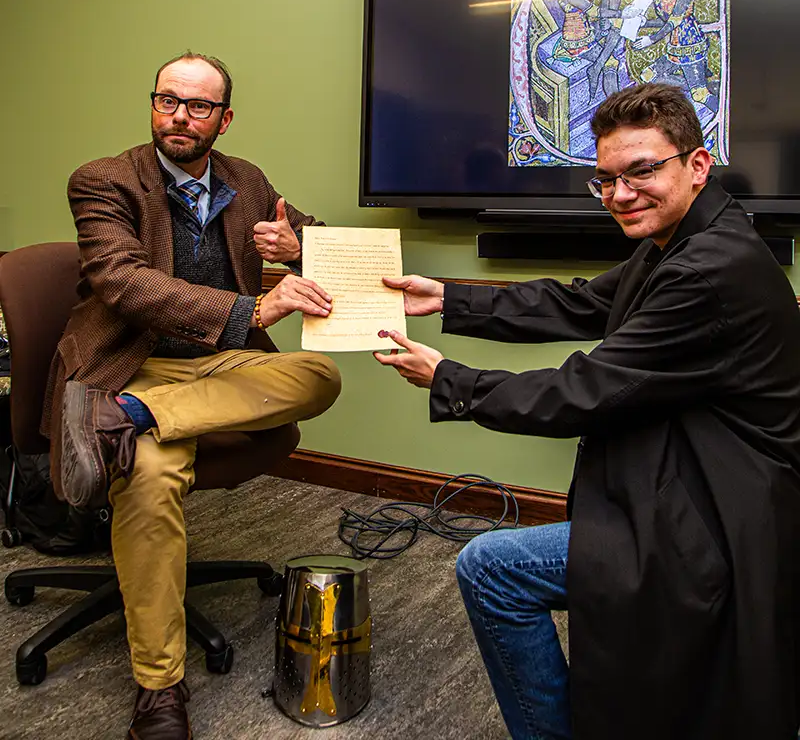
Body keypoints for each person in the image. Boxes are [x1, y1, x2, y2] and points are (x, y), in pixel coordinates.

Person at [374, 83, 800, 739]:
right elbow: (579, 302)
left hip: (722, 517)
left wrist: (447, 379)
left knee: (490, 570)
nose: (621, 195)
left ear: (697, 164)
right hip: (698, 477)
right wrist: (448, 298)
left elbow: (583, 390)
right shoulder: (694, 232)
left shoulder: (710, 268)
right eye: (605, 180)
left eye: (641, 171)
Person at [44, 52, 342, 739]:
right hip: (127, 366)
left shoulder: (247, 179)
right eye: (167, 100)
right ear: (153, 104)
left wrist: (298, 246)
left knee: (320, 377)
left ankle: (131, 422)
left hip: (209, 375)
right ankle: (159, 691)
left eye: (199, 106)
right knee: (146, 475)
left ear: (224, 119)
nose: (179, 116)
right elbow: (125, 282)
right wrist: (250, 312)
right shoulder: (104, 180)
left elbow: (319, 238)